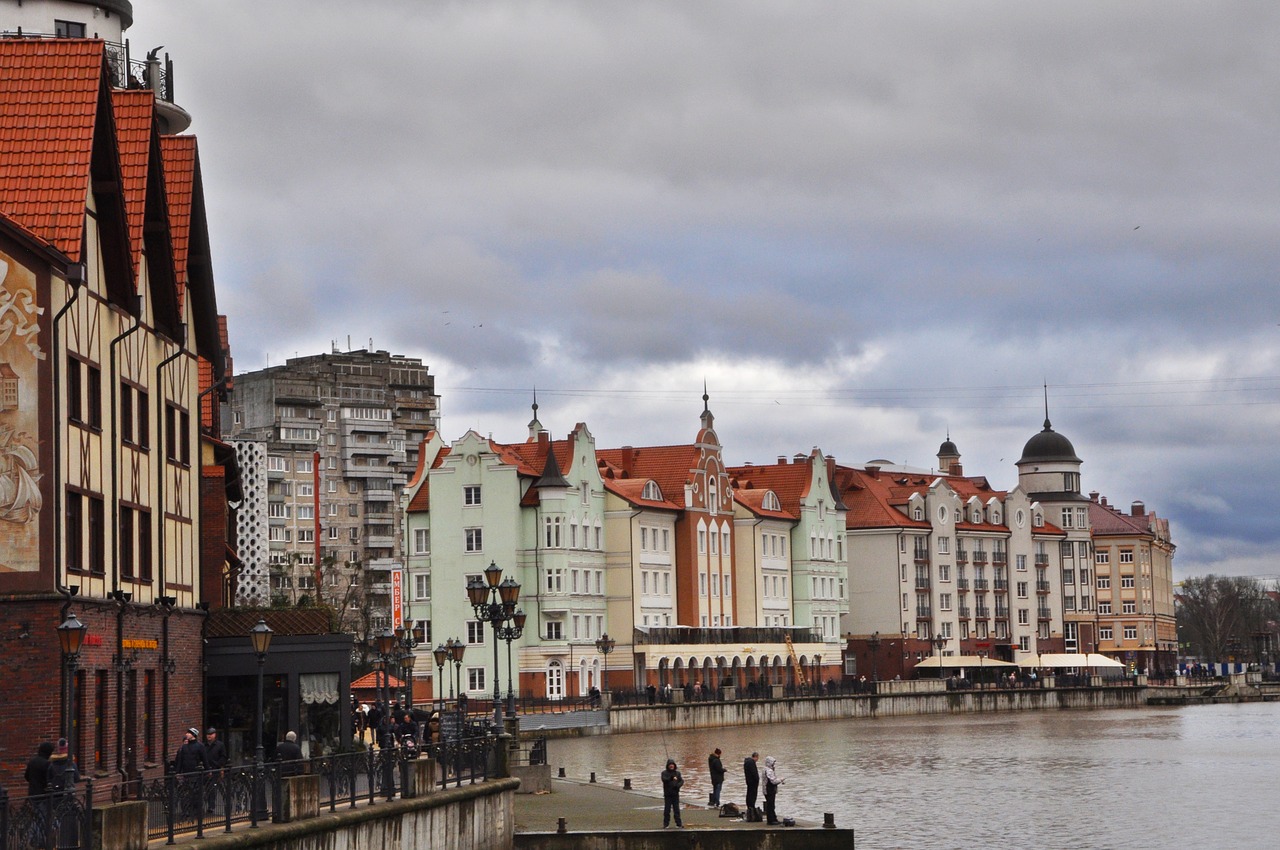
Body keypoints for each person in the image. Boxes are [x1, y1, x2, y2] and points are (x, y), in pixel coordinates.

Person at [204, 728, 228, 813]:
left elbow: (223, 757)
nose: (209, 736)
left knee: (212, 788)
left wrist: (219, 766)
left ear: (214, 735)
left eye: (211, 734)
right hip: (206, 769)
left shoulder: (220, 745)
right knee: (205, 788)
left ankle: (211, 806)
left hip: (215, 769)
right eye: (208, 735)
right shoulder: (204, 745)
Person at [660, 759, 684, 828]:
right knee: (667, 810)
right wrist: (671, 778)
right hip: (668, 794)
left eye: (672, 764)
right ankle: (666, 824)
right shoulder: (664, 773)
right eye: (670, 765)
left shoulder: (677, 773)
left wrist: (678, 785)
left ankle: (679, 824)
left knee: (676, 810)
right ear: (668, 766)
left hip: (675, 794)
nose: (671, 766)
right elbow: (664, 780)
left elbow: (681, 781)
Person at [763, 755, 784, 825]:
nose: (774, 764)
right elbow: (773, 781)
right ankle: (771, 820)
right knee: (770, 805)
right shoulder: (768, 771)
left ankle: (773, 818)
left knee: (771, 805)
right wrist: (780, 780)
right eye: (773, 763)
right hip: (769, 790)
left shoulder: (766, 769)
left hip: (769, 790)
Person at [743, 751, 760, 816]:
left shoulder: (746, 762)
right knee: (752, 795)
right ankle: (751, 806)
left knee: (749, 794)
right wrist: (757, 779)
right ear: (756, 757)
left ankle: (749, 806)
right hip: (753, 782)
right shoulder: (751, 763)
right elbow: (754, 773)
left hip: (749, 781)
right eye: (757, 758)